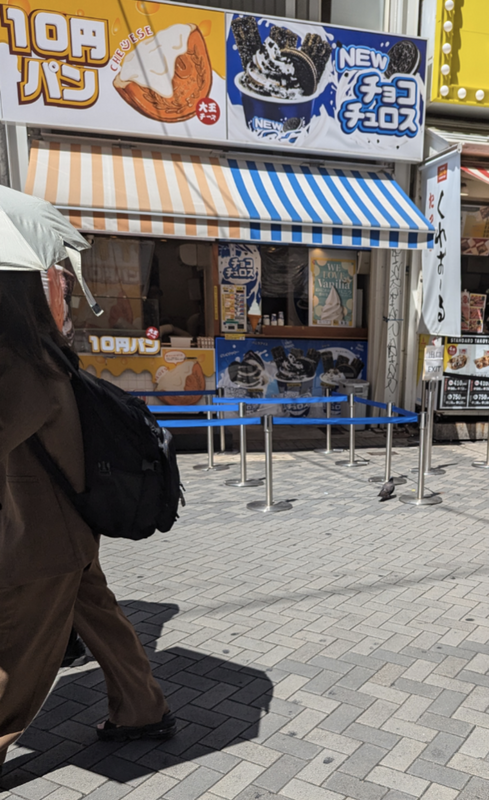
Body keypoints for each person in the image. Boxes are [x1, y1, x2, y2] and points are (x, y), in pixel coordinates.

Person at [0, 270, 176, 770]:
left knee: (17, 651)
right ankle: (142, 710)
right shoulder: (40, 352)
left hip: (39, 538)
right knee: (101, 618)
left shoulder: (19, 364)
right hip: (59, 529)